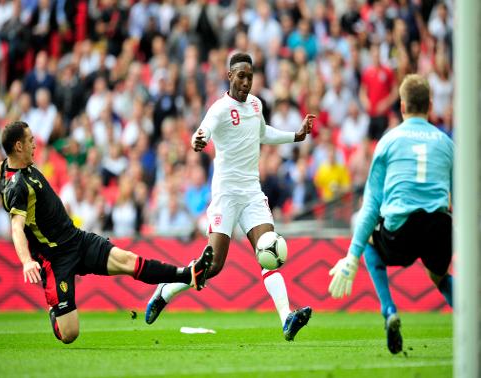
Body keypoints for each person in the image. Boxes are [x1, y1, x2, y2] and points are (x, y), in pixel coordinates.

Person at [0, 121, 214, 344]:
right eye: (30, 141)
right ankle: (54, 309)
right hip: (55, 259)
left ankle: (188, 274)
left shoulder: (16, 166)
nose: (35, 145)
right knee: (69, 334)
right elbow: (16, 227)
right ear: (19, 146)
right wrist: (26, 262)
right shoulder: (17, 187)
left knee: (128, 260)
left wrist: (0, 167)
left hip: (77, 240)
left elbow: (3, 167)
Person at [145, 52, 314, 341]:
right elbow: (202, 132)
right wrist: (197, 141)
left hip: (251, 192)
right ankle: (166, 289)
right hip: (225, 194)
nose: (246, 81)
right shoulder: (219, 109)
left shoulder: (257, 105)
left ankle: (287, 317)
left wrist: (295, 136)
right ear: (230, 76)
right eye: (241, 76)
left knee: (268, 251)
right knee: (213, 267)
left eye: (250, 76)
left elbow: (263, 133)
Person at [328, 74, 454, 354]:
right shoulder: (446, 144)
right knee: (439, 276)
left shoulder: (388, 141)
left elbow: (372, 205)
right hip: (439, 226)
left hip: (401, 228)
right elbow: (463, 199)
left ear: (402, 105)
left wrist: (352, 256)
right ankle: (471, 318)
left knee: (372, 245)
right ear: (430, 105)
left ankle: (389, 311)